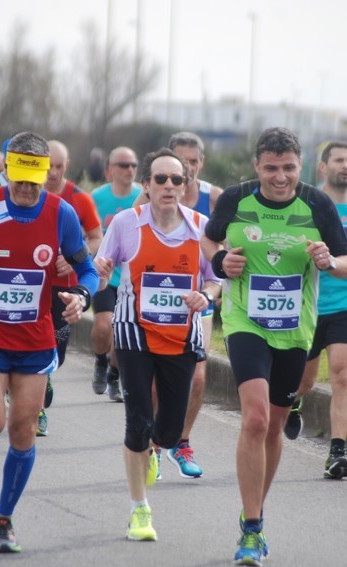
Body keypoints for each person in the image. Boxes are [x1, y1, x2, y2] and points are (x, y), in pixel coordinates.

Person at [201, 127, 347, 567]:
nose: (280, 177)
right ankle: (251, 529)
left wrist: (329, 259)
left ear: (300, 165)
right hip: (245, 320)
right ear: (257, 166)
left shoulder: (317, 204)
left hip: (294, 330)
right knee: (255, 418)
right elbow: (209, 240)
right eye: (271, 168)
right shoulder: (236, 199)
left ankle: (255, 513)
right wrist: (218, 261)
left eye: (288, 168)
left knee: (273, 429)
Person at [0, 131, 99, 553]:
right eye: (18, 176)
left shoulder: (61, 213)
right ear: (5, 169)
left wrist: (81, 295)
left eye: (34, 178)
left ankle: (4, 520)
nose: (26, 187)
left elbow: (87, 270)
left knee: (23, 431)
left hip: (35, 338)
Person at [94, 147, 221, 541]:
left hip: (182, 337)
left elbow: (216, 279)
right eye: (160, 179)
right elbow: (101, 273)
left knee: (167, 431)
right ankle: (139, 510)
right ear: (145, 185)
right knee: (138, 423)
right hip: (134, 335)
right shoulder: (126, 224)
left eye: (177, 179)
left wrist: (207, 295)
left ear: (186, 186)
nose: (169, 186)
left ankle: (156, 449)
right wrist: (98, 272)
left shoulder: (202, 227)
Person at [135, 131, 223, 479]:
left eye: (191, 162)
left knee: (198, 376)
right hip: (154, 301)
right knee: (159, 382)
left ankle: (181, 442)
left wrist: (211, 286)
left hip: (196, 298)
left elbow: (221, 252)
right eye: (178, 160)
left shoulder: (213, 198)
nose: (183, 168)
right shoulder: (150, 197)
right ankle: (156, 441)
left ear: (199, 164)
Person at [284, 141, 347, 479]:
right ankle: (295, 400)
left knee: (343, 374)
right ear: (323, 167)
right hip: (308, 304)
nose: (346, 166)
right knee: (306, 381)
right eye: (339, 160)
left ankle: (337, 452)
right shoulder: (307, 206)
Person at [37, 139, 102, 434]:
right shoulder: (25, 196)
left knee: (56, 349)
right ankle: (35, 409)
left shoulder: (79, 199)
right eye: (47, 165)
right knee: (32, 347)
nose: (52, 172)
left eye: (58, 166)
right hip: (32, 286)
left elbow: (96, 237)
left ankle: (45, 374)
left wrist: (74, 258)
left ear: (67, 166)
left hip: (64, 289)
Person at [91, 146, 142, 402]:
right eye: (123, 165)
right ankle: (101, 361)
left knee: (122, 332)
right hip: (105, 276)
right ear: (110, 170)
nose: (130, 170)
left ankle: (114, 373)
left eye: (134, 165)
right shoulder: (96, 198)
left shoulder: (143, 196)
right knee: (104, 325)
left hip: (131, 279)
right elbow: (86, 234)